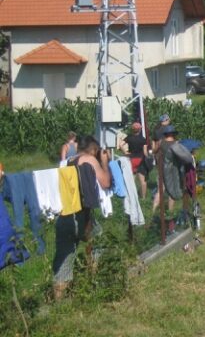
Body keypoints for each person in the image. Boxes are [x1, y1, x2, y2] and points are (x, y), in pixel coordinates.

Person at [52, 135, 111, 300]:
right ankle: (94, 281)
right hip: (81, 215)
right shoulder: (89, 159)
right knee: (98, 241)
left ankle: (59, 301)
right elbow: (105, 182)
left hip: (64, 215)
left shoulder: (67, 161)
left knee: (64, 256)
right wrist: (105, 163)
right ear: (93, 149)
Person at [156, 125, 194, 224]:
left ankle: (153, 210)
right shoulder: (175, 145)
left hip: (161, 169)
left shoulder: (160, 143)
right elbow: (185, 158)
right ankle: (170, 211)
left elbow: (155, 152)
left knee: (160, 191)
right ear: (173, 134)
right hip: (172, 171)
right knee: (172, 191)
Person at [122, 122, 150, 199]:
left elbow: (121, 145)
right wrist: (147, 158)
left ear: (132, 129)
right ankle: (143, 197)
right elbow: (145, 152)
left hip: (132, 159)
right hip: (140, 159)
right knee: (143, 180)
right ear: (140, 129)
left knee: (132, 179)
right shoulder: (143, 139)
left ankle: (131, 196)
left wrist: (125, 152)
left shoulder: (129, 137)